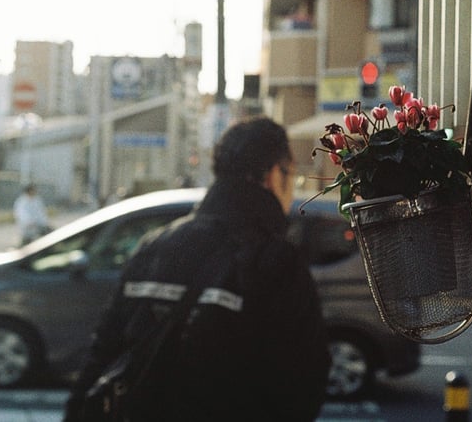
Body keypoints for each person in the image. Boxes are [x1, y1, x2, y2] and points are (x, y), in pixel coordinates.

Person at [64, 117, 330, 421]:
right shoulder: (276, 261)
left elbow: (102, 352)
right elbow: (302, 384)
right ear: (273, 175)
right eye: (292, 178)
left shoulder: (155, 245)